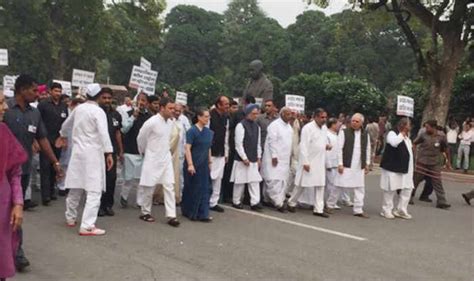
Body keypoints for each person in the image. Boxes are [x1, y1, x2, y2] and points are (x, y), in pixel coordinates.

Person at [4, 74, 64, 271]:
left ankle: (16, 252)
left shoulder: (34, 114)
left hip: (22, 172)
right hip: (3, 174)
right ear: (21, 90)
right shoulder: (5, 110)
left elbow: (43, 139)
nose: (37, 94)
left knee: (16, 212)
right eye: (33, 90)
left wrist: (55, 163)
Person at [57, 83, 114, 236]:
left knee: (75, 186)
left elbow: (65, 125)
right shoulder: (98, 111)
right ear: (100, 95)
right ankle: (87, 225)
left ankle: (70, 217)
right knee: (94, 191)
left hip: (78, 153)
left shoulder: (78, 109)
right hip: (93, 154)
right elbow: (103, 133)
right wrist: (109, 152)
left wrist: (62, 135)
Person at [136, 98, 180, 227]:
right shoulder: (151, 122)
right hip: (152, 158)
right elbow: (141, 138)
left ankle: (171, 215)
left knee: (169, 186)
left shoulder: (170, 123)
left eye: (174, 108)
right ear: (162, 108)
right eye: (170, 108)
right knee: (149, 186)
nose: (173, 111)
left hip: (165, 159)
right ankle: (145, 212)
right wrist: (145, 152)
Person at [0, 92, 27, 281]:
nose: (5, 107)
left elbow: (15, 172)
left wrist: (18, 203)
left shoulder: (3, 132)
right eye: (0, 102)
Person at [327, 113, 371, 218]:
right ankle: (330, 205)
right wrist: (340, 164)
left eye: (357, 121)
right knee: (338, 185)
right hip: (346, 164)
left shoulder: (365, 134)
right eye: (353, 121)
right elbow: (339, 149)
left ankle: (358, 209)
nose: (354, 123)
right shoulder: (344, 132)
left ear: (361, 123)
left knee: (360, 188)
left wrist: (367, 164)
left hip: (359, 165)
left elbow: (368, 149)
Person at [287, 108, 330, 218]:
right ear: (315, 117)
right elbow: (303, 146)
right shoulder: (308, 128)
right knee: (301, 184)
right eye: (321, 117)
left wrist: (326, 146)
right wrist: (305, 162)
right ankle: (291, 202)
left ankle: (318, 209)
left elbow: (321, 142)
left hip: (320, 161)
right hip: (308, 161)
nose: (324, 119)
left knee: (320, 185)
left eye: (325, 117)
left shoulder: (324, 128)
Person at [37, 82, 68, 205]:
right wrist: (37, 140)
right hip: (45, 140)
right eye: (56, 91)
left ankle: (51, 191)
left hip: (57, 141)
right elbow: (37, 122)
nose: (58, 94)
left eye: (60, 91)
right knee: (45, 167)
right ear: (50, 91)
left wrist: (64, 138)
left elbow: (65, 124)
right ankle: (45, 196)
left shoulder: (63, 106)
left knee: (55, 167)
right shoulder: (43, 105)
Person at [182, 108, 214, 221]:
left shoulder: (209, 132)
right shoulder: (192, 131)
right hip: (194, 163)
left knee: (205, 188)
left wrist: (210, 161)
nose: (207, 119)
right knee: (193, 188)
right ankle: (190, 211)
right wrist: (190, 164)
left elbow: (208, 148)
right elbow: (187, 148)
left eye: (208, 116)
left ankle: (203, 213)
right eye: (205, 116)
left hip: (204, 164)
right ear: (199, 117)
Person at [119, 92, 151, 208]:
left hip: (142, 151)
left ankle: (140, 201)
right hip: (129, 149)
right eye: (139, 100)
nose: (141, 103)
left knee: (140, 179)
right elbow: (124, 129)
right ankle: (124, 196)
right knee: (128, 178)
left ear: (147, 103)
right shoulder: (128, 114)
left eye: (143, 101)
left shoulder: (150, 117)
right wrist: (133, 117)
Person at [379, 118, 414, 220]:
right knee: (390, 188)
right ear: (402, 125)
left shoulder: (408, 138)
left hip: (406, 168)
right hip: (392, 167)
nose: (410, 127)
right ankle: (386, 210)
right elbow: (393, 143)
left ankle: (401, 210)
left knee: (407, 188)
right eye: (408, 125)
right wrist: (402, 133)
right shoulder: (392, 133)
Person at [411, 120, 451, 209]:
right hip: (422, 161)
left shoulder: (441, 136)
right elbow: (414, 143)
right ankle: (409, 196)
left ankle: (441, 201)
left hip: (434, 163)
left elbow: (446, 149)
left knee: (437, 181)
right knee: (415, 180)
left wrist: (448, 161)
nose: (426, 129)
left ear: (433, 127)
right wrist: (414, 154)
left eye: (427, 127)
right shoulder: (423, 135)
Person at [231, 104, 263, 211]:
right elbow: (238, 144)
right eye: (253, 113)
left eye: (257, 114)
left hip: (253, 158)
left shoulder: (257, 127)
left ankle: (255, 202)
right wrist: (244, 157)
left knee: (254, 181)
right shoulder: (240, 125)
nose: (255, 116)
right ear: (248, 113)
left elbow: (258, 144)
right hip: (242, 159)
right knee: (240, 181)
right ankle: (236, 201)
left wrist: (258, 157)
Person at [97, 88, 123, 217]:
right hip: (97, 150)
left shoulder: (116, 114)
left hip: (111, 151)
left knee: (111, 178)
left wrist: (120, 151)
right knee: (99, 179)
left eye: (109, 98)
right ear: (99, 98)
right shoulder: (96, 112)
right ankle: (98, 206)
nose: (107, 100)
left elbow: (118, 133)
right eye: (104, 98)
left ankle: (108, 205)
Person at [261, 107, 293, 212]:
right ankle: (279, 203)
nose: (290, 116)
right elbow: (272, 141)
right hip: (273, 158)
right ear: (282, 114)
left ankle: (268, 199)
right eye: (288, 114)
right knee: (273, 180)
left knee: (282, 181)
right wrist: (274, 156)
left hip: (284, 159)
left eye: (291, 114)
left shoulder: (289, 128)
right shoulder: (274, 125)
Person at [209, 96, 230, 213]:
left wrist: (226, 153)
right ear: (218, 105)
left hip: (221, 152)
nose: (227, 106)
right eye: (225, 104)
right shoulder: (210, 116)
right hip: (210, 152)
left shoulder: (226, 117)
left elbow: (226, 135)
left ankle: (214, 202)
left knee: (218, 178)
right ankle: (205, 200)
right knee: (208, 177)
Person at [324, 118, 340, 208]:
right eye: (337, 124)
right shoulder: (327, 134)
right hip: (330, 163)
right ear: (333, 124)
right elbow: (326, 151)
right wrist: (328, 163)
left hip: (336, 162)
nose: (338, 126)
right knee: (330, 184)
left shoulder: (336, 135)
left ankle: (331, 201)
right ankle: (330, 202)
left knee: (333, 183)